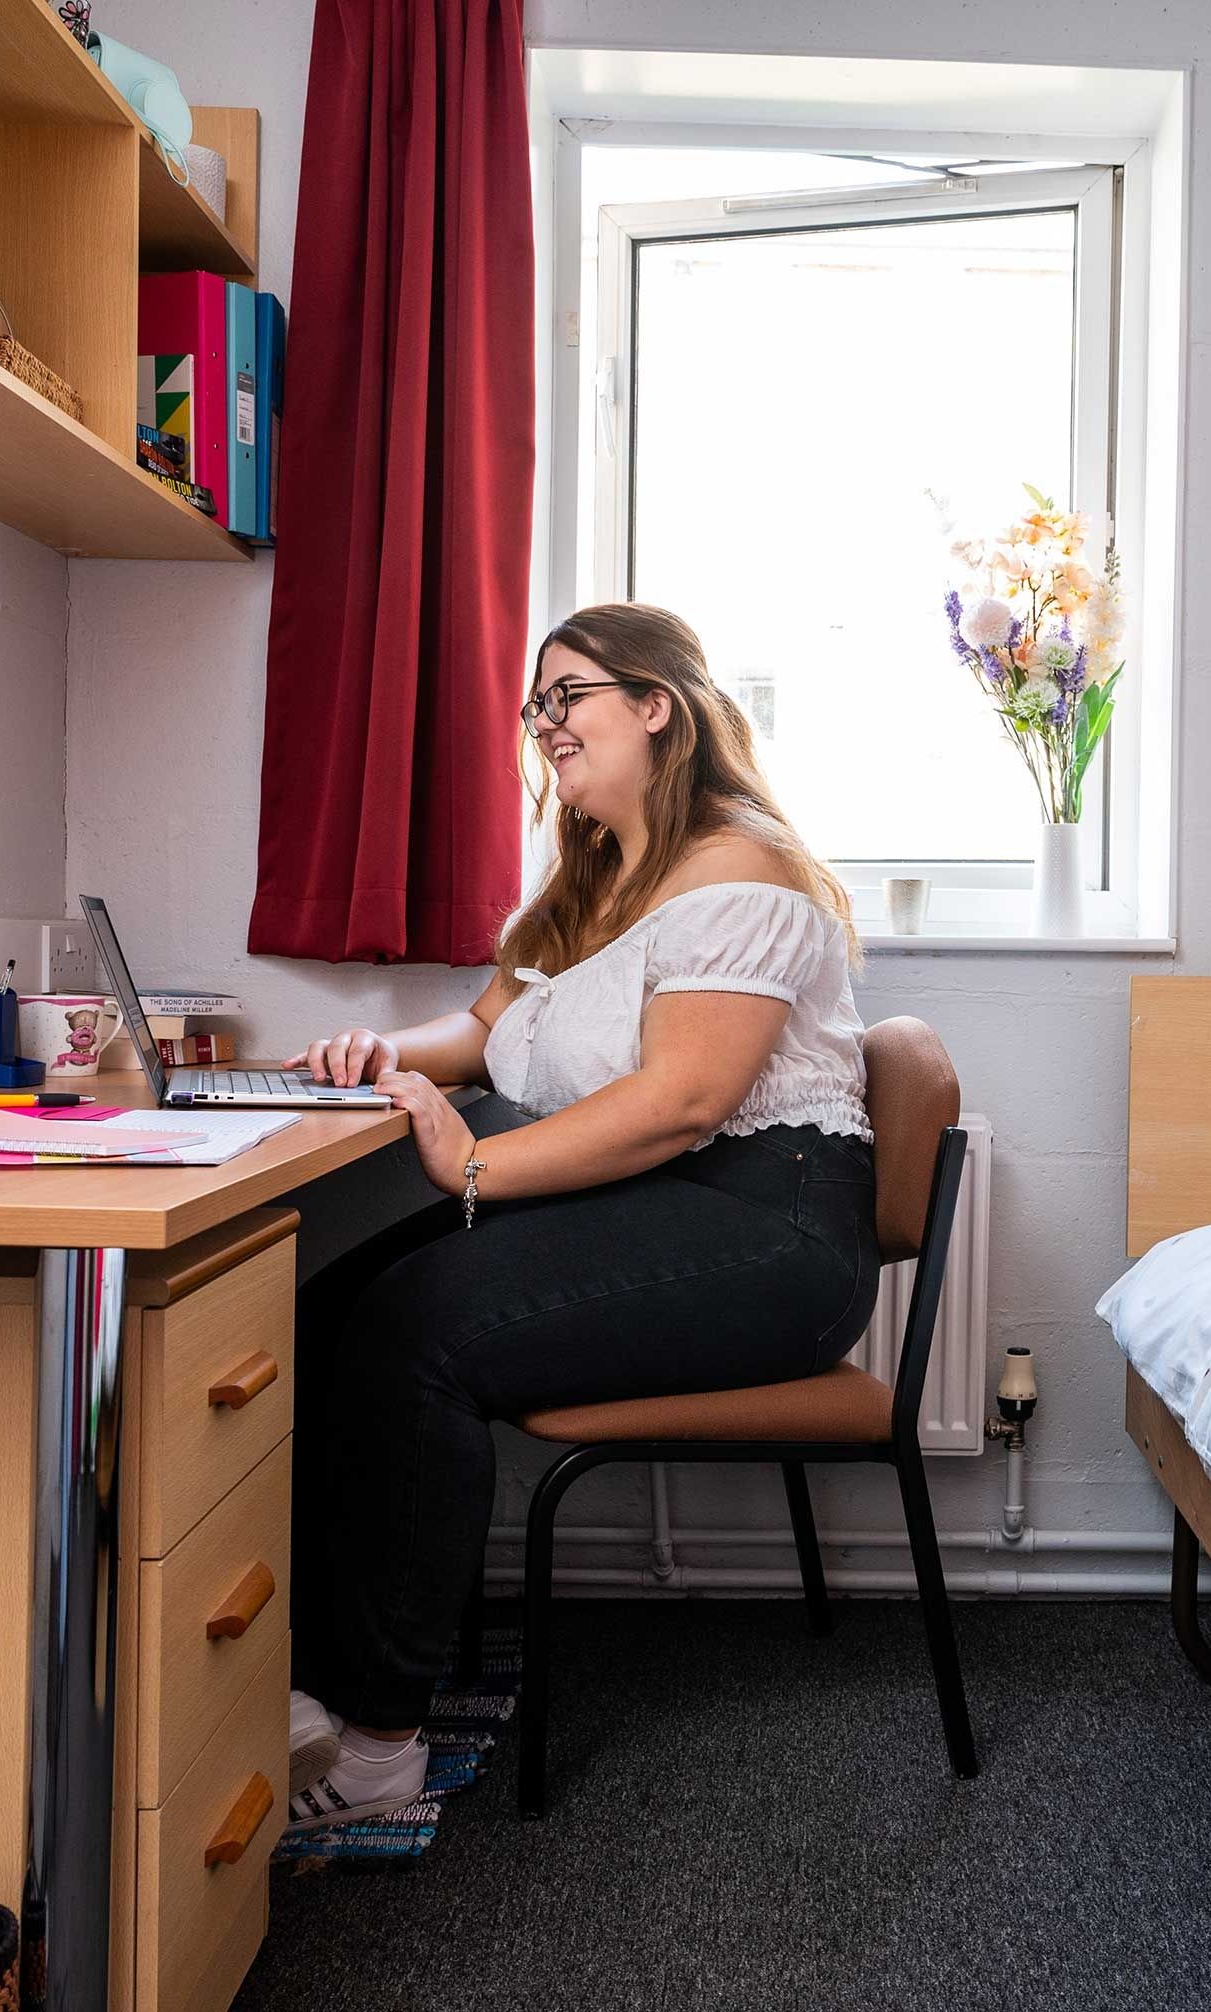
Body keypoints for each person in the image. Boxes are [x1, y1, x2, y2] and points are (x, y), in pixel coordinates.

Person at [280, 603, 882, 1828]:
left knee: (418, 1328)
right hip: (673, 1202)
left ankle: (382, 1738)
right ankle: (295, 1672)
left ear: (656, 704)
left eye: (571, 695)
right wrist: (380, 1048)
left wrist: (473, 1172)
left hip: (776, 1227)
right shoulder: (595, 874)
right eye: (535, 704)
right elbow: (491, 1029)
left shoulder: (737, 864)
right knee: (329, 1300)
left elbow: (686, 1099)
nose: (544, 722)